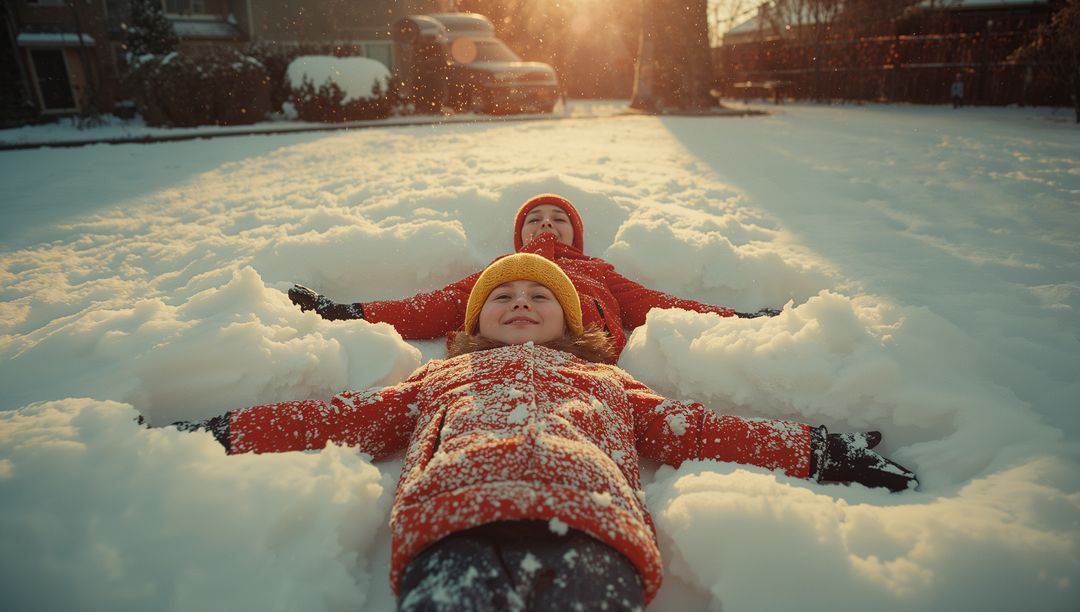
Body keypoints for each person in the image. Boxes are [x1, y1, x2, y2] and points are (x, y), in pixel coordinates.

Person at [174, 253, 918, 611]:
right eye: (503, 297)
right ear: (471, 324)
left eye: (540, 297)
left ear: (574, 323)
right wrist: (224, 430)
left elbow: (693, 430)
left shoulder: (610, 382)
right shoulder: (436, 379)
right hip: (453, 527)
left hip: (591, 533)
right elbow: (339, 419)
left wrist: (815, 448)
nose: (522, 302)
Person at [287, 194, 780, 362]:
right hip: (495, 354)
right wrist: (345, 312)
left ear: (576, 235)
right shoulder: (500, 275)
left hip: (581, 355)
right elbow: (434, 305)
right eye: (535, 218)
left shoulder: (596, 271)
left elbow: (660, 305)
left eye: (558, 218)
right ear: (520, 234)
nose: (546, 224)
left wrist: (740, 320)